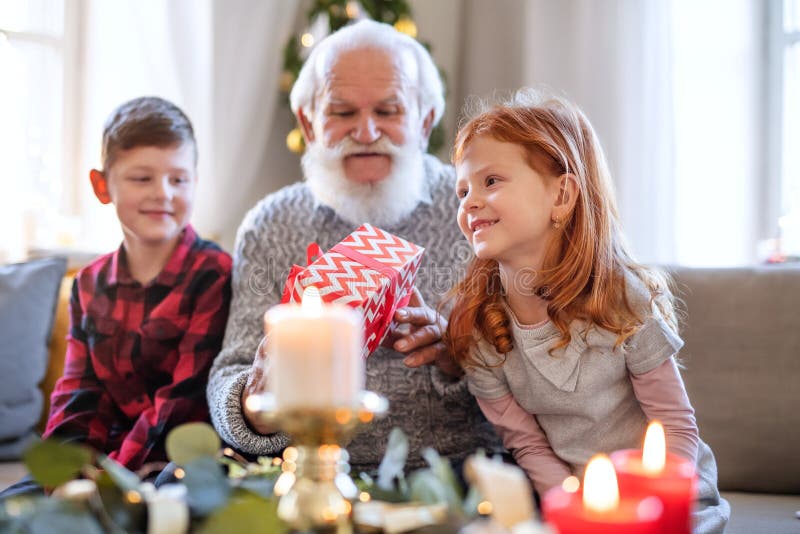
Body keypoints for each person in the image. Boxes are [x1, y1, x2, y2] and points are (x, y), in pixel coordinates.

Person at [208, 19, 500, 474]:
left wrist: (457, 358)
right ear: (308, 122)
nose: (366, 132)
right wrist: (252, 399)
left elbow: (534, 377)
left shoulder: (478, 212)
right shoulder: (270, 224)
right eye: (342, 113)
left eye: (388, 111)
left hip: (453, 472)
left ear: (425, 121)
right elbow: (232, 372)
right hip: (304, 476)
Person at [445, 90, 729, 532]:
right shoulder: (476, 329)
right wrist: (574, 511)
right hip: (578, 510)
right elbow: (528, 447)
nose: (469, 202)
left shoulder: (624, 299)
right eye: (462, 190)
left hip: (666, 505)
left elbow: (675, 425)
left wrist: (649, 510)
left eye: (491, 181)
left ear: (562, 195)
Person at [43, 96, 232, 472]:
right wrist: (64, 474)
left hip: (176, 462)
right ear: (102, 186)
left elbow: (182, 402)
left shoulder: (215, 273)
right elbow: (78, 393)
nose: (163, 192)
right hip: (108, 460)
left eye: (178, 179)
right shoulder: (88, 285)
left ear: (196, 183)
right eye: (142, 178)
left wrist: (111, 480)